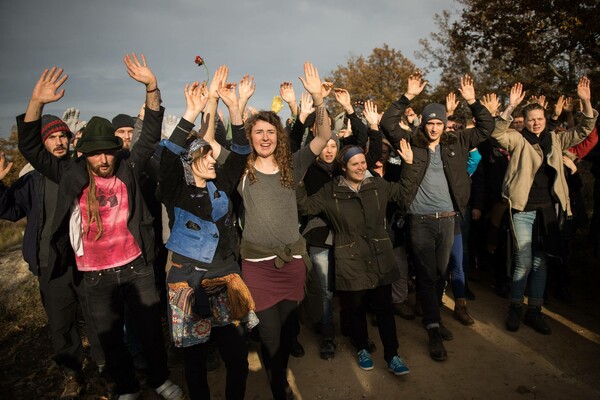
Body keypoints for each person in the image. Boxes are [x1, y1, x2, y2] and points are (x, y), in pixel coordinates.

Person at [17, 54, 183, 400]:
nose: (104, 159)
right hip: (95, 274)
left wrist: (152, 86)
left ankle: (158, 379)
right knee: (110, 338)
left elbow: (151, 130)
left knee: (151, 331)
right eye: (95, 154)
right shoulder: (70, 173)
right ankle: (125, 387)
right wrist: (36, 102)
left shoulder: (128, 166)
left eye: (108, 151)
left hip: (136, 266)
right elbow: (31, 147)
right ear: (84, 154)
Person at [157, 66, 257, 400]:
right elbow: (168, 157)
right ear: (190, 161)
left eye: (212, 155)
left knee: (237, 359)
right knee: (196, 362)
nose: (213, 159)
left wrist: (234, 109)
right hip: (187, 281)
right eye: (205, 155)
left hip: (225, 277)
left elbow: (242, 153)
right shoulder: (175, 191)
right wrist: (190, 113)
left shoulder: (223, 185)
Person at [380, 73, 494, 361]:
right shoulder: (411, 144)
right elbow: (387, 123)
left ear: (445, 124)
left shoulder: (457, 142)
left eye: (438, 123)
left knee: (440, 273)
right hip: (419, 220)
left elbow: (487, 126)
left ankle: (432, 316)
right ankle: (433, 327)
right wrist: (407, 96)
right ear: (423, 123)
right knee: (429, 275)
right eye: (429, 122)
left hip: (449, 219)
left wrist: (472, 100)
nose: (433, 127)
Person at [237, 61, 331, 400]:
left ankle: (279, 379)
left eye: (271, 132)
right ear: (250, 136)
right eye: (258, 131)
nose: (265, 137)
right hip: (258, 268)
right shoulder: (240, 169)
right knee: (270, 336)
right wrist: (227, 106)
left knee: (290, 332)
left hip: (292, 263)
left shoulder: (294, 164)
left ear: (279, 136)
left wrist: (318, 97)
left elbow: (323, 135)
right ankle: (280, 388)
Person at [0, 116, 103, 399]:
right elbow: (9, 210)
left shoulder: (82, 171)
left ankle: (107, 370)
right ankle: (72, 375)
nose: (59, 142)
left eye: (63, 136)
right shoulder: (32, 180)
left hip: (86, 259)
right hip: (50, 264)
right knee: (61, 324)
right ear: (42, 142)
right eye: (52, 137)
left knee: (98, 318)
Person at [297, 129, 413, 376]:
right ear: (344, 166)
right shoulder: (330, 191)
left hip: (379, 255)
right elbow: (305, 206)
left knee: (384, 308)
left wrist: (411, 166)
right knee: (357, 308)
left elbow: (403, 195)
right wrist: (296, 181)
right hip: (349, 259)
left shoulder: (377, 185)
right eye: (355, 163)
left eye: (363, 162)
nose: (361, 167)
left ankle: (392, 355)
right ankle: (361, 347)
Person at [492, 78, 597, 335]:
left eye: (539, 118)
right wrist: (509, 107)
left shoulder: (555, 138)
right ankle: (515, 307)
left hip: (548, 211)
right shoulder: (518, 140)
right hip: (523, 209)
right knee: (523, 261)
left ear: (545, 119)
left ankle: (535, 311)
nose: (536, 122)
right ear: (525, 121)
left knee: (541, 263)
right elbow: (496, 134)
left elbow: (585, 130)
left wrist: (585, 100)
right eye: (531, 119)